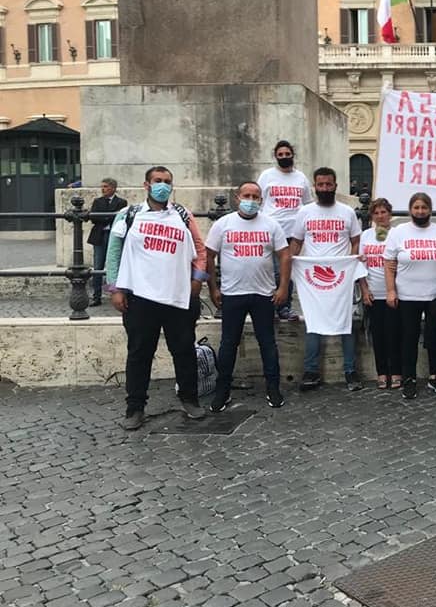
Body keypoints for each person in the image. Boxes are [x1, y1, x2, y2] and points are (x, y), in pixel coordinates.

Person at [105, 166, 209, 430]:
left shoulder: (183, 215)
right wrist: (116, 288)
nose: (163, 185)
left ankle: (189, 399)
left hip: (177, 296)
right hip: (140, 297)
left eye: (167, 182)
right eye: (158, 181)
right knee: (139, 353)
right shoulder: (127, 215)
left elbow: (199, 247)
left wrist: (197, 278)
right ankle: (135, 407)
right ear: (146, 185)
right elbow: (114, 252)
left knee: (184, 350)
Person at [205, 181, 290, 411]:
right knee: (228, 344)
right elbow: (209, 256)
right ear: (237, 198)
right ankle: (223, 391)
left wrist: (283, 287)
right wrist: (213, 287)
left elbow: (284, 255)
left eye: (255, 197)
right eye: (247, 196)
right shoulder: (223, 224)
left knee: (268, 344)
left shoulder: (271, 224)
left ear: (261, 200)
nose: (251, 200)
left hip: (264, 294)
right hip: (232, 294)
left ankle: (273, 387)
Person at [290, 167, 364, 391]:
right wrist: (291, 267)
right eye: (320, 185)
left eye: (328, 184)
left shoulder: (347, 212)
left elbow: (355, 240)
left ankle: (350, 371)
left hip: (340, 276)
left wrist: (350, 265)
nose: (324, 188)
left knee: (346, 323)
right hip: (313, 276)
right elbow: (296, 242)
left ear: (335, 185)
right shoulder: (305, 212)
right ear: (314, 186)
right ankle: (311, 371)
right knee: (313, 322)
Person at [384, 192, 436, 400]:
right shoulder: (399, 231)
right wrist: (391, 290)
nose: (420, 211)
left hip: (435, 294)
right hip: (407, 295)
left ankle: (434, 375)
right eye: (416, 207)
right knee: (409, 338)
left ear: (430, 210)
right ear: (411, 210)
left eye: (424, 208)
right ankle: (409, 378)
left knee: (434, 338)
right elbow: (389, 263)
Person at [257, 140, 312, 321]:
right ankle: (269, 306)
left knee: (286, 271)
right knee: (271, 270)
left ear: (292, 155)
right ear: (275, 156)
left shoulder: (301, 178)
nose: (284, 157)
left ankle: (284, 307)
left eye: (287, 154)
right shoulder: (267, 176)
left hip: (293, 233)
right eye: (280, 155)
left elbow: (307, 204)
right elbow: (259, 200)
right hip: (271, 229)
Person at [358, 198, 402, 390]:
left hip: (394, 292)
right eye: (376, 213)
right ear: (372, 216)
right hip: (374, 292)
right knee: (378, 336)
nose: (380, 216)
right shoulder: (366, 236)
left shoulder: (398, 234)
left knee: (395, 335)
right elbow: (361, 265)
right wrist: (365, 290)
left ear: (390, 214)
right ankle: (382, 372)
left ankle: (397, 371)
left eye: (383, 212)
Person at [87, 177, 127, 306]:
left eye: (105, 186)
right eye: (102, 186)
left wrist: (104, 217)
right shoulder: (97, 201)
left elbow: (120, 218)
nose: (103, 189)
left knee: (116, 265)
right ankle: (96, 296)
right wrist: (109, 217)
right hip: (99, 235)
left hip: (114, 235)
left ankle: (118, 293)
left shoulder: (121, 202)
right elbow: (94, 218)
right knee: (97, 266)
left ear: (113, 188)